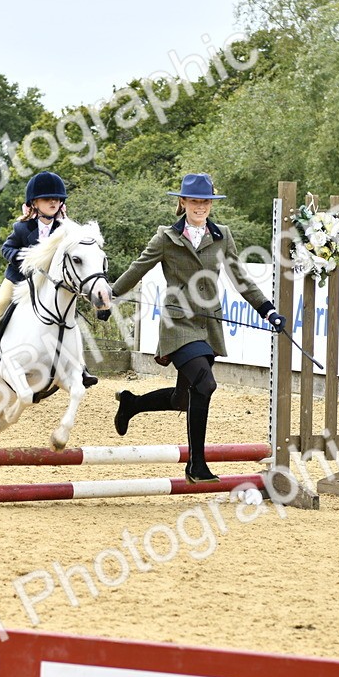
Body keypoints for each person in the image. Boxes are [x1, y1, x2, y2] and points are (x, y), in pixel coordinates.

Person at [110, 173, 287, 483]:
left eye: (205, 201)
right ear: (183, 202)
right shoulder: (165, 238)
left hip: (208, 327)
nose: (200, 206)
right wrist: (108, 297)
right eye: (194, 201)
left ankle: (132, 403)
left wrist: (267, 309)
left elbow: (240, 278)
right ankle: (196, 465)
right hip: (178, 325)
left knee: (184, 398)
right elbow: (137, 269)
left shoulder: (222, 236)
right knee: (205, 384)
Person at [0, 170, 98, 387]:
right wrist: (22, 257)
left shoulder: (65, 230)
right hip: (19, 278)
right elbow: (6, 248)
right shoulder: (22, 228)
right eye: (48, 199)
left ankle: (80, 366)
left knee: (70, 316)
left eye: (57, 199)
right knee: (0, 305)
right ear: (34, 203)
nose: (53, 202)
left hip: (49, 283)